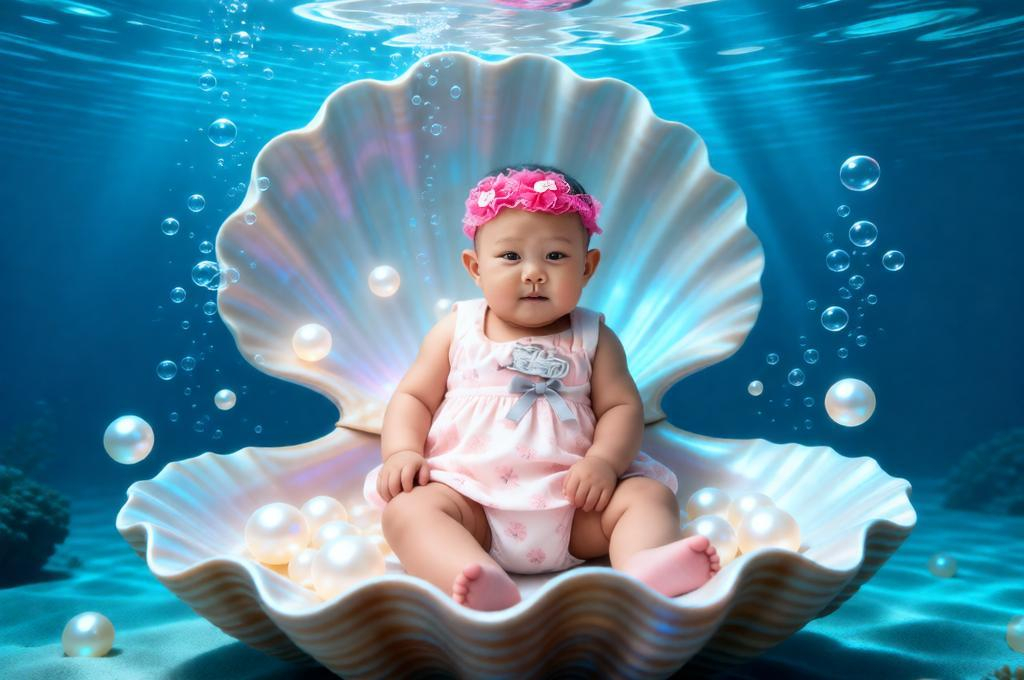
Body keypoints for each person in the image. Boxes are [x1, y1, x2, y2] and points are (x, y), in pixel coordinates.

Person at [362, 165, 719, 611]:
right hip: (471, 505)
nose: (533, 273)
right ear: (475, 267)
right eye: (510, 257)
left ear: (587, 267)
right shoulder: (457, 330)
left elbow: (621, 408)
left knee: (647, 496)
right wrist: (401, 452)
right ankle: (474, 575)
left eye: (555, 257)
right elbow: (413, 396)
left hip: (576, 508)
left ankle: (643, 565)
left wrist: (605, 463)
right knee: (408, 512)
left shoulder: (594, 337)